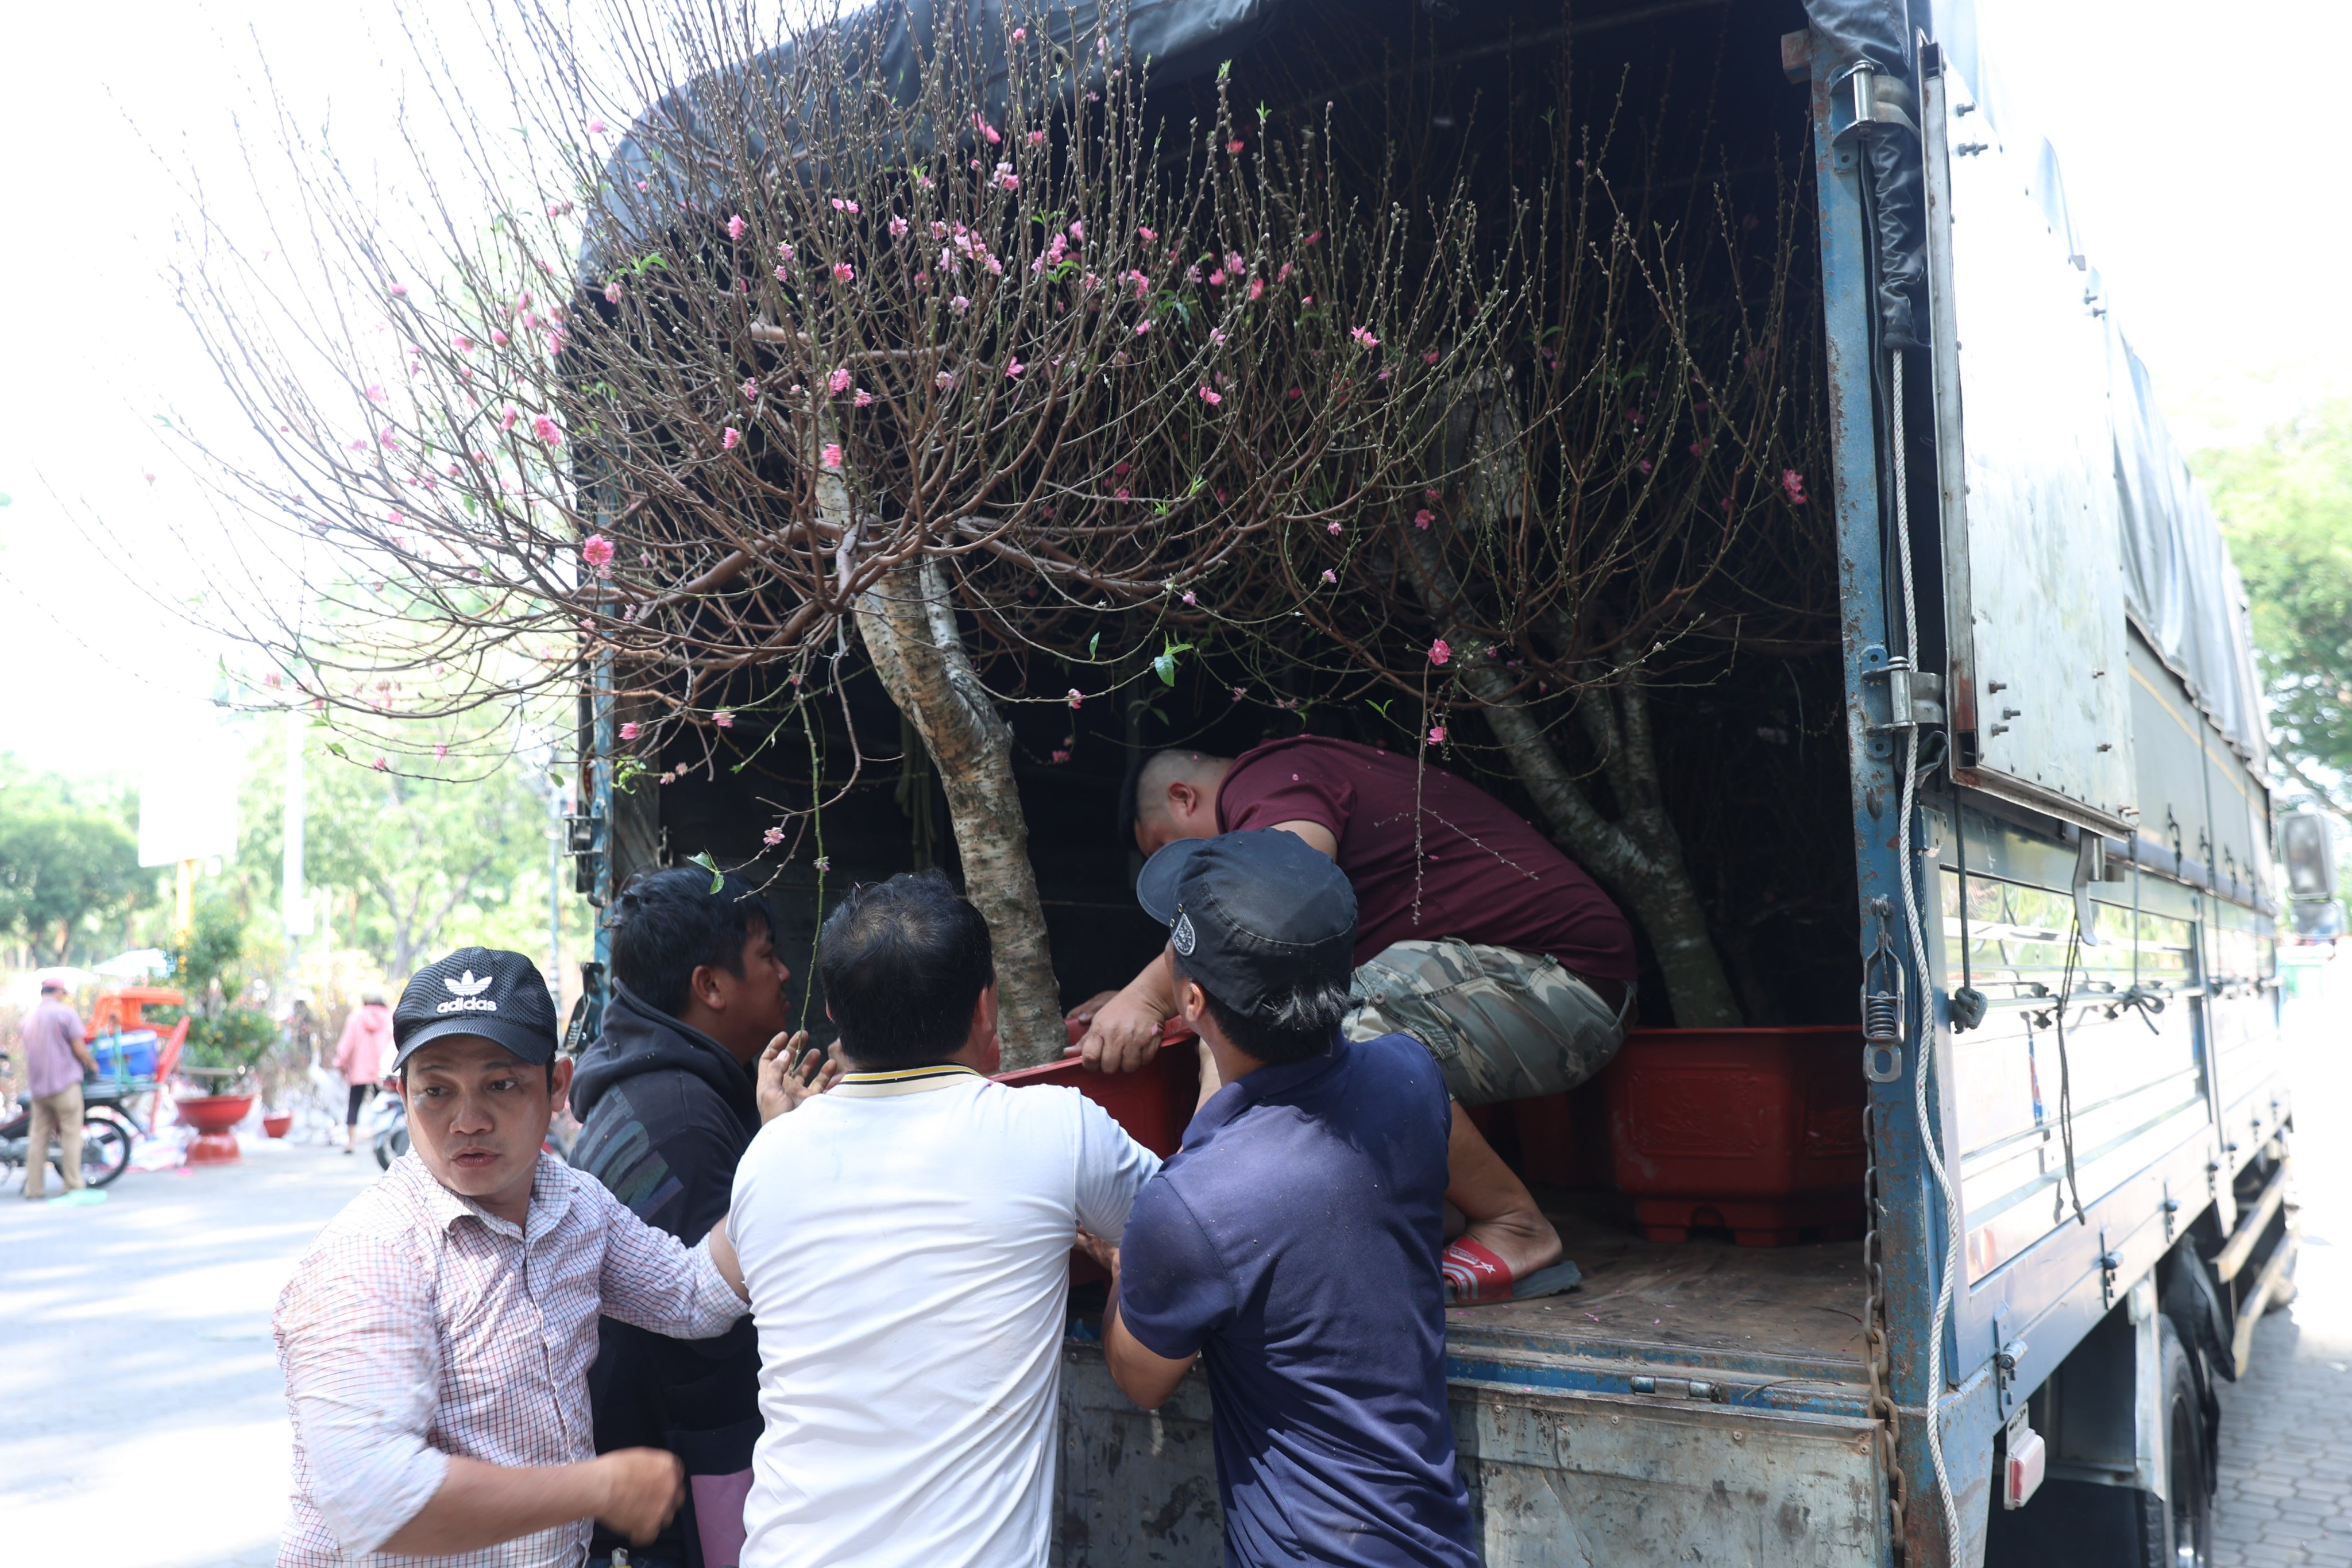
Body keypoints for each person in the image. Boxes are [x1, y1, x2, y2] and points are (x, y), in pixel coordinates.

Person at [1073, 736, 1635, 1300]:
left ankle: (1516, 1225)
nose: (1186, 889)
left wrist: (1146, 998)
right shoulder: (1290, 782)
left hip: (1562, 984)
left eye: (1169, 848)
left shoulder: (1271, 776)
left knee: (1326, 1028)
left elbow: (1270, 898)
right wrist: (1141, 996)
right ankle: (1436, 1218)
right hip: (1502, 982)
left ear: (1183, 798)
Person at [272, 947, 770, 1568]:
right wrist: (597, 1489)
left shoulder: (574, 1203)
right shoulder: (371, 1254)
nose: (468, 1121)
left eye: (501, 1084)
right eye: (436, 1091)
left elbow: (695, 1295)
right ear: (401, 1093)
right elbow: (374, 1498)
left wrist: (779, 1154)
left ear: (556, 1085)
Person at [724, 871, 1160, 1568]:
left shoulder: (768, 1155)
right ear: (986, 1005)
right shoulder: (1055, 1131)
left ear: (834, 1008)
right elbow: (1196, 1228)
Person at [1099, 829, 1479, 1568]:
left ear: (1195, 1002)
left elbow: (1141, 1380)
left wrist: (1124, 1271)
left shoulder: (1192, 1204)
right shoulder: (1408, 1076)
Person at [569, 867, 822, 1568]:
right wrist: (788, 1155)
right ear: (710, 987)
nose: (784, 973)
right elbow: (717, 1339)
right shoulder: (678, 1117)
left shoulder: (682, 1086)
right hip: (677, 1488)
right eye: (767, 955)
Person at [20, 978, 100, 1204]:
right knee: (71, 1135)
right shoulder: (66, 1014)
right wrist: (93, 1065)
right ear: (59, 992)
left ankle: (33, 1188)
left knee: (38, 1137)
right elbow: (79, 1048)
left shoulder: (29, 1018)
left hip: (38, 1089)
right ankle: (73, 1185)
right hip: (65, 1085)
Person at [331, 993, 393, 1153]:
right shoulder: (389, 1017)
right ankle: (381, 1140)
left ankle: (351, 1142)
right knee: (385, 1105)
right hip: (383, 1069)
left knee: (354, 1104)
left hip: (360, 1069)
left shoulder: (356, 1019)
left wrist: (340, 1063)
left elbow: (347, 1044)